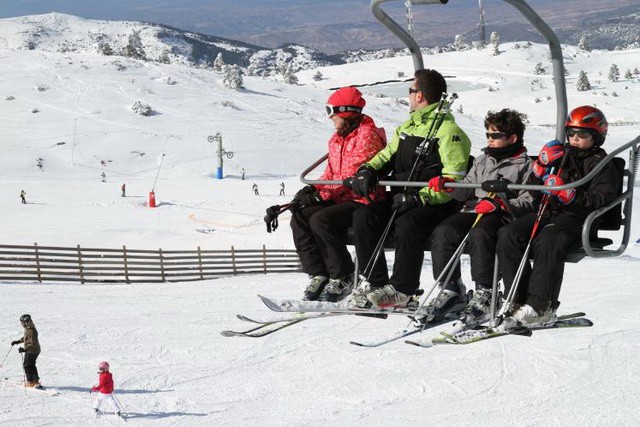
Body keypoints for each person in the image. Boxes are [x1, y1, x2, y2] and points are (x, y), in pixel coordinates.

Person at [349, 69, 471, 309]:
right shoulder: (408, 126)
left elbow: (453, 181)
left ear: (420, 96)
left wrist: (420, 198)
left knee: (408, 224)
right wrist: (368, 169)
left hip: (436, 203)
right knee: (364, 216)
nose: (408, 95)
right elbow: (387, 154)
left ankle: (403, 289)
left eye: (410, 91)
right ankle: (375, 281)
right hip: (401, 197)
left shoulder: (449, 133)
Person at [497, 106, 619, 326]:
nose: (574, 138)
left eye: (582, 134)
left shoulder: (602, 163)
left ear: (597, 136)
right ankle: (516, 297)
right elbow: (534, 193)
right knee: (508, 233)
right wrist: (540, 168)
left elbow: (601, 200)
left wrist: (570, 195)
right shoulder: (561, 156)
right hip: (548, 212)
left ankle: (540, 306)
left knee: (549, 240)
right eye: (571, 133)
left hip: (578, 218)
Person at [427, 109, 537, 323]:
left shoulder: (526, 166)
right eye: (488, 135)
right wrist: (449, 187)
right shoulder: (481, 160)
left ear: (512, 138)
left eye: (495, 136)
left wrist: (500, 203)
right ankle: (451, 289)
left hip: (503, 214)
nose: (490, 140)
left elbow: (528, 200)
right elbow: (467, 188)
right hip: (475, 209)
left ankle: (485, 291)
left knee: (481, 233)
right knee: (444, 231)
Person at [291, 86, 386, 302]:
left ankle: (343, 275)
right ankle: (319, 273)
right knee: (300, 216)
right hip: (340, 197)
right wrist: (311, 190)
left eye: (332, 111)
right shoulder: (337, 138)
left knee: (321, 219)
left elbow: (351, 176)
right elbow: (332, 173)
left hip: (363, 198)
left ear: (346, 111)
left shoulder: (367, 136)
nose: (331, 117)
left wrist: (319, 197)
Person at [10, 314, 42, 388]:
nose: (22, 324)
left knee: (27, 365)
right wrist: (17, 341)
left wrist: (24, 350)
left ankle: (31, 382)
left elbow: (32, 343)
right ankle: (35, 381)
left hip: (32, 350)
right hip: (34, 350)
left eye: (23, 322)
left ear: (27, 322)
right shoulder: (29, 328)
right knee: (31, 365)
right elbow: (26, 338)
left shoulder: (31, 330)